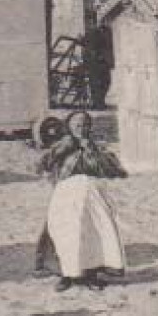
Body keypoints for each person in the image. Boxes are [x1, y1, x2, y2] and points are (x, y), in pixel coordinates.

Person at [36, 111, 126, 291]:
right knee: (65, 234)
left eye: (85, 125)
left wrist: (90, 150)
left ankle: (91, 274)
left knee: (93, 234)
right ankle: (67, 275)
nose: (81, 129)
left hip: (91, 197)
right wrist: (62, 150)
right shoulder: (61, 145)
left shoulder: (96, 147)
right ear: (69, 126)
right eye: (77, 125)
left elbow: (113, 170)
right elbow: (43, 166)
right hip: (66, 197)